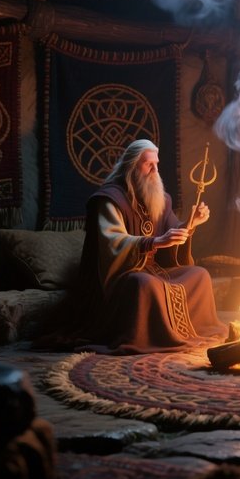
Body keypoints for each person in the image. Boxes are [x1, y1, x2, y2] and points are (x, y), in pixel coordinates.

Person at [67, 138, 226, 353]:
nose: (155, 170)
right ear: (132, 166)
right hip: (125, 271)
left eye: (157, 164)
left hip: (154, 269)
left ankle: (187, 332)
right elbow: (113, 242)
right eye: (149, 164)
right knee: (143, 283)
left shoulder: (161, 198)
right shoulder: (109, 199)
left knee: (200, 276)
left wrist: (191, 223)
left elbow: (173, 232)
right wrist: (154, 242)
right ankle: (152, 337)